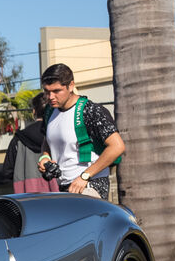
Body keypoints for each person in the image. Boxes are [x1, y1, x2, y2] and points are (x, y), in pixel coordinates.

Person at [37, 63, 125, 198]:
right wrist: (45, 157)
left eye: (56, 91)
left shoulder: (91, 111)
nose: (51, 97)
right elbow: (47, 141)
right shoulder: (49, 111)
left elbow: (117, 146)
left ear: (71, 86)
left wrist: (85, 176)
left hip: (90, 185)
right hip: (64, 188)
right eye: (47, 91)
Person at [4, 93, 58, 194]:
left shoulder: (18, 139)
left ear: (34, 111)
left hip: (27, 197)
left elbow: (7, 172)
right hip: (57, 193)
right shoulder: (58, 134)